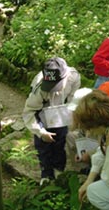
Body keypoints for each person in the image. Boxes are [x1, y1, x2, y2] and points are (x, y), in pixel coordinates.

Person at [22, 57, 81, 185]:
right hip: (42, 115)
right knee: (43, 147)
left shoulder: (74, 77)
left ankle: (59, 170)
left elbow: (72, 101)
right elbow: (29, 112)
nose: (54, 89)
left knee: (60, 143)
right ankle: (46, 174)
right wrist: (41, 132)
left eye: (57, 85)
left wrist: (69, 117)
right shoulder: (39, 89)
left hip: (61, 115)